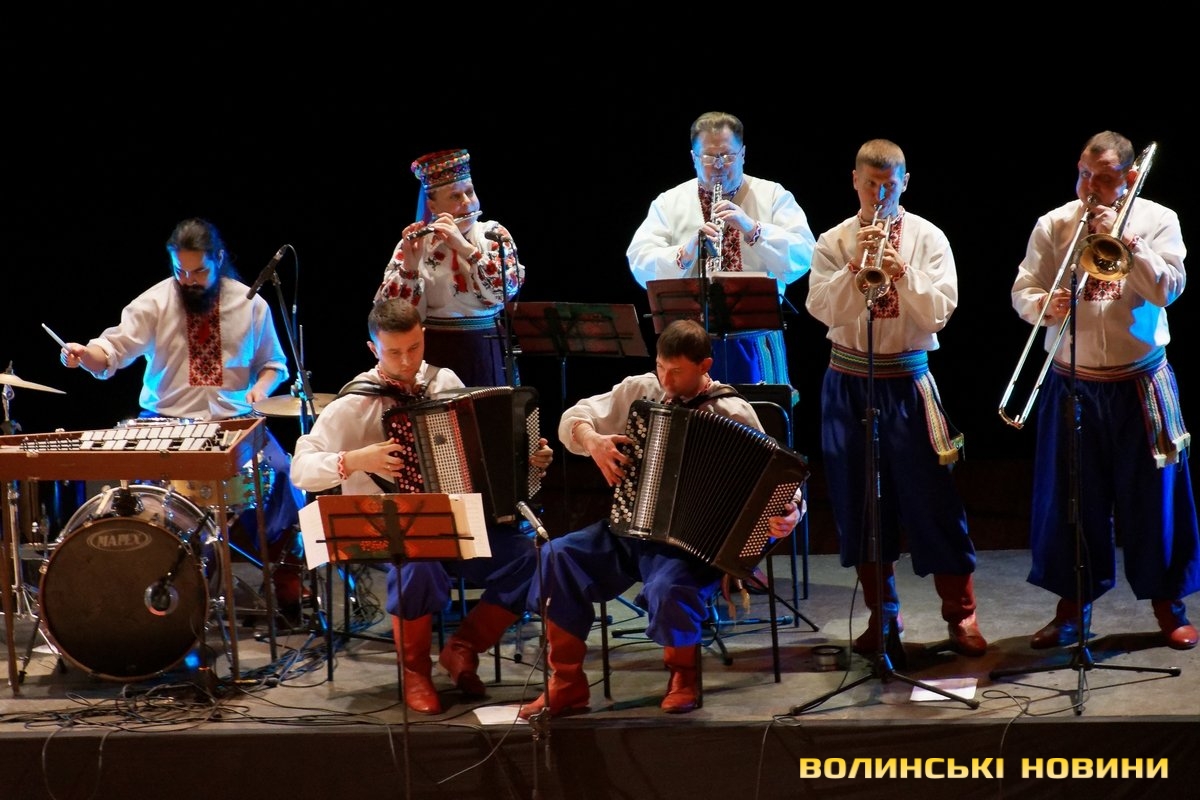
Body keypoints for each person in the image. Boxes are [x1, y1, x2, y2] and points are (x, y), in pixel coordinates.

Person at [519, 319, 803, 719]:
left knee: (669, 587)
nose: (666, 381)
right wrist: (592, 440)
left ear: (704, 366)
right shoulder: (641, 389)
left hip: (691, 547)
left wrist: (791, 512)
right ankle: (566, 684)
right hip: (629, 528)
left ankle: (683, 676)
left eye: (677, 371)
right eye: (660, 367)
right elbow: (574, 417)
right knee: (556, 557)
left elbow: (780, 480)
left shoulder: (731, 410)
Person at [290, 299, 554, 713]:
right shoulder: (352, 405)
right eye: (394, 352)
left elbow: (482, 450)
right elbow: (301, 469)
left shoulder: (444, 381)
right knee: (420, 562)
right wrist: (355, 460)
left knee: (533, 559)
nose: (407, 361)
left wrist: (528, 457)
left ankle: (463, 648)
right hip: (391, 533)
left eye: (414, 348)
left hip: (458, 522)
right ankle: (415, 671)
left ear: (424, 337)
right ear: (373, 349)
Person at [58, 217, 308, 618]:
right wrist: (84, 355)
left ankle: (288, 586)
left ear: (219, 259)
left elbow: (274, 364)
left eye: (199, 271)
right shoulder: (155, 302)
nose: (189, 280)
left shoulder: (251, 304)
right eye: (181, 271)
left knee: (284, 475)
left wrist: (260, 391)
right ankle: (163, 588)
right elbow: (111, 351)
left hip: (235, 422)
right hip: (164, 422)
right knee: (143, 497)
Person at [1011, 131, 1199, 651]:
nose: (1090, 187)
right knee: (1071, 501)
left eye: (1105, 178)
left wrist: (1126, 241)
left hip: (1140, 382)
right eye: (1084, 175)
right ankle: (1072, 610)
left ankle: (1169, 608)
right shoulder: (1054, 223)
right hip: (1073, 383)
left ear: (1130, 178)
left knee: (1154, 501)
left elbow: (1167, 289)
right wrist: (1042, 305)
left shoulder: (1159, 220)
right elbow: (1024, 288)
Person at [805, 139, 986, 658]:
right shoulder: (834, 240)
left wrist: (902, 273)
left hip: (907, 381)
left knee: (934, 501)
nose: (880, 194)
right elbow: (821, 309)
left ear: (905, 182)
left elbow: (939, 314)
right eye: (870, 184)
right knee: (859, 503)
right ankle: (883, 617)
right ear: (855, 181)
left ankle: (961, 615)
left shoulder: (928, 237)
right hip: (848, 381)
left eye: (889, 185)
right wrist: (853, 267)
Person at [627, 111, 815, 388]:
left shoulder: (773, 195)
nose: (718, 166)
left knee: (758, 413)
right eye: (709, 157)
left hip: (755, 340)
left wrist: (753, 229)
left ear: (743, 154)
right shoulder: (669, 202)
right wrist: (685, 253)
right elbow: (639, 261)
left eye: (727, 157)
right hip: (689, 342)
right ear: (693, 157)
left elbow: (804, 255)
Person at [373, 148, 524, 387]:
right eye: (455, 196)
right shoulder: (416, 243)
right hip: (434, 352)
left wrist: (464, 248)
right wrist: (410, 267)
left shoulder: (493, 235)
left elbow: (502, 293)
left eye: (470, 192)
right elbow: (393, 316)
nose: (467, 202)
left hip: (485, 349)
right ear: (433, 206)